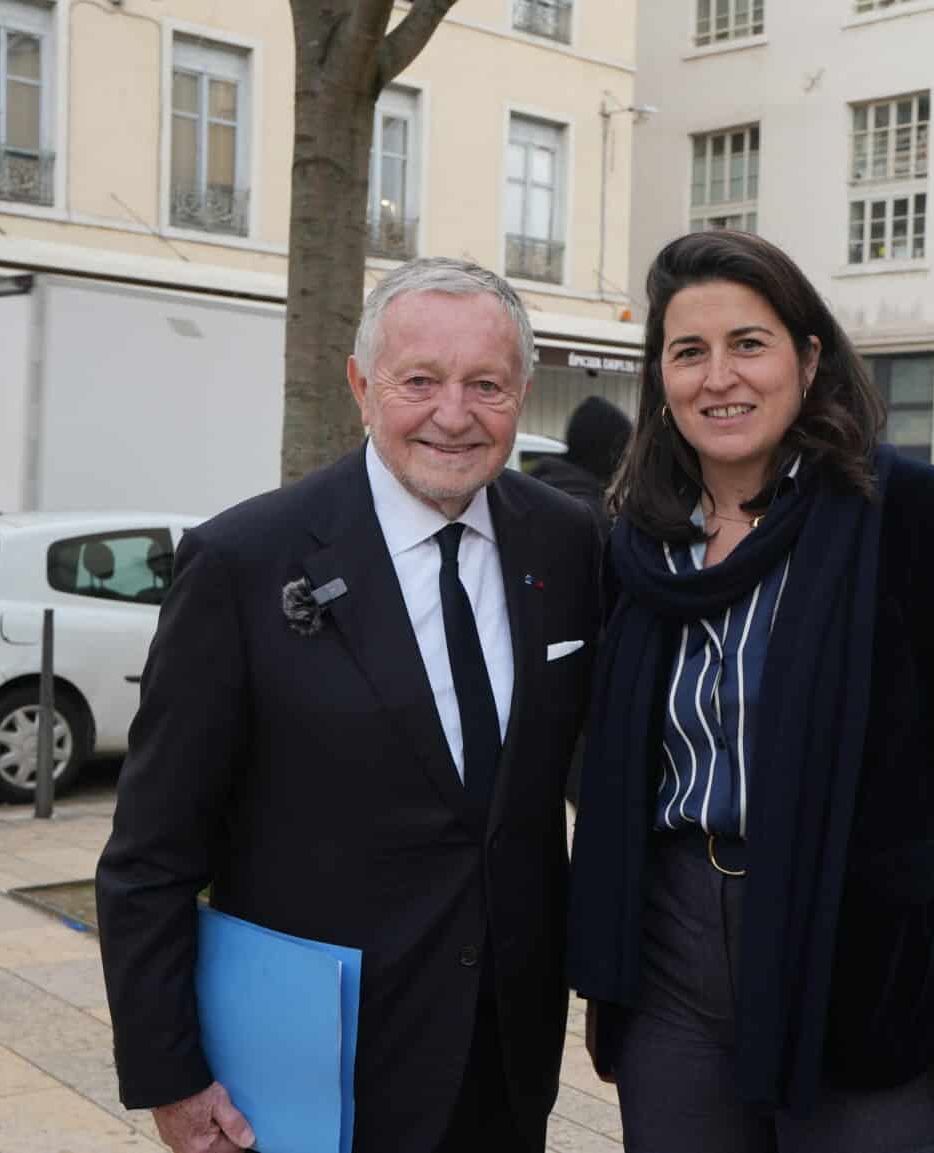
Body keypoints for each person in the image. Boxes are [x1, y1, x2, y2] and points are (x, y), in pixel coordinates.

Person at [97, 258, 604, 1153]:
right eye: (420, 380)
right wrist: (169, 1071)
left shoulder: (568, 546)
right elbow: (150, 852)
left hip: (506, 1057)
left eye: (485, 384)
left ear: (523, 391)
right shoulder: (243, 562)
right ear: (361, 387)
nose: (454, 414)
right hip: (307, 1070)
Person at [566, 231, 934, 1152]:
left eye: (749, 343)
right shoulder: (636, 540)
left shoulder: (908, 513)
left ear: (809, 356)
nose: (720, 377)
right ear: (659, 377)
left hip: (864, 953)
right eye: (688, 351)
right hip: (671, 958)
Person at [530, 395, 633, 530]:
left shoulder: (534, 488)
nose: (625, 465)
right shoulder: (591, 517)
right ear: (609, 453)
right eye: (623, 455)